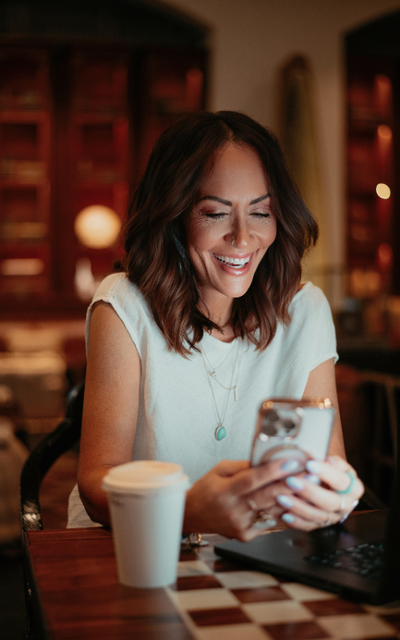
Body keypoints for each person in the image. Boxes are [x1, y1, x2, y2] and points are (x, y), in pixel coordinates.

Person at [68, 110, 364, 540]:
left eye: (261, 213)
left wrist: (338, 493)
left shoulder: (305, 311)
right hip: (138, 549)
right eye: (214, 213)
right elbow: (96, 485)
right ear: (174, 215)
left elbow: (330, 467)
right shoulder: (123, 304)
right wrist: (189, 513)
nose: (243, 239)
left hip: (259, 559)